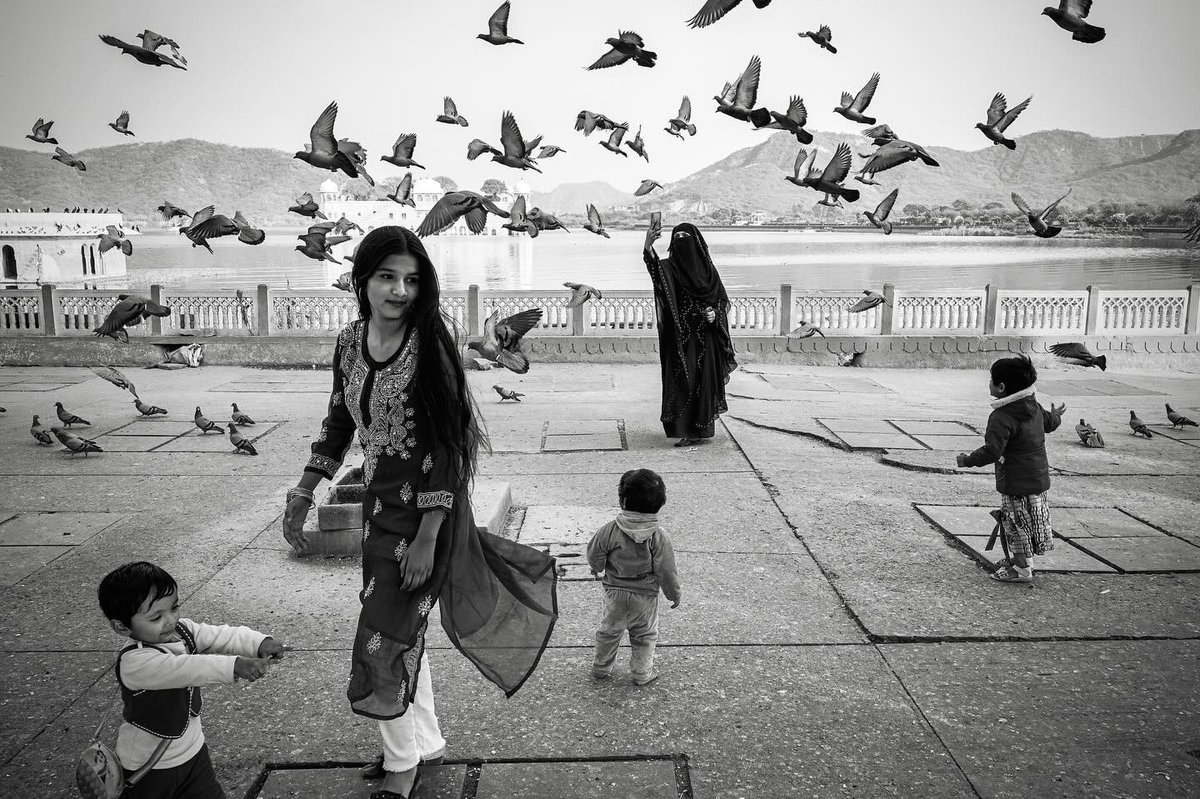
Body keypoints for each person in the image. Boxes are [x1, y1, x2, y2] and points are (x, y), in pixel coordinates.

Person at [282, 226, 558, 799]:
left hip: (429, 512)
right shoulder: (349, 341)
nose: (399, 290)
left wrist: (430, 534)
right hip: (382, 507)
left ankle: (401, 762)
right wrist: (305, 489)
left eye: (411, 279)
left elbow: (452, 447)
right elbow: (338, 421)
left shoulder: (430, 346)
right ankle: (423, 742)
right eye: (387, 276)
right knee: (402, 627)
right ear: (362, 278)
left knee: (381, 634)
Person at [97, 561, 282, 799]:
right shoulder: (135, 662)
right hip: (149, 767)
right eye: (156, 617)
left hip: (194, 754)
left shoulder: (182, 631)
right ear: (121, 627)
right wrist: (235, 665)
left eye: (174, 608)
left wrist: (258, 642)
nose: (170, 620)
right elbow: (188, 669)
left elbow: (221, 635)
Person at [957, 356, 1066, 584]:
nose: (989, 384)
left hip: (1016, 482)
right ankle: (1024, 560)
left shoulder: (1002, 416)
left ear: (1002, 387)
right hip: (1037, 479)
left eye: (991, 381)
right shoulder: (1034, 407)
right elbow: (1050, 423)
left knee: (1015, 525)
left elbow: (992, 451)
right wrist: (1056, 414)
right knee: (1029, 522)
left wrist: (967, 460)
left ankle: (1022, 569)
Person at [643, 219, 738, 447]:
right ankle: (683, 428)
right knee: (683, 382)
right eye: (677, 239)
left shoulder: (709, 272)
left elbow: (723, 302)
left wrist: (714, 315)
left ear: (697, 242)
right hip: (681, 338)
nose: (682, 243)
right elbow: (656, 272)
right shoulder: (671, 268)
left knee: (702, 382)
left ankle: (699, 431)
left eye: (686, 238)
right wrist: (648, 245)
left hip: (707, 338)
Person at [587, 468, 681, 685]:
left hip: (615, 594)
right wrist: (673, 594)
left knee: (608, 632)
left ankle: (601, 668)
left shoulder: (609, 530)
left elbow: (595, 554)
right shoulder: (659, 537)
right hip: (645, 597)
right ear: (660, 503)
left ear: (623, 500)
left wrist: (597, 567)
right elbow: (666, 571)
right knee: (645, 636)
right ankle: (641, 673)